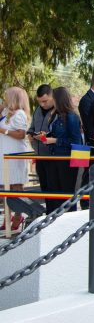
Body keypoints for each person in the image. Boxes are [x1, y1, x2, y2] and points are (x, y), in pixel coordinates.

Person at [43, 87, 83, 215]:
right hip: (54, 157)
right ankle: (57, 219)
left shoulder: (71, 117)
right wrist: (47, 136)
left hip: (67, 159)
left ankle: (69, 219)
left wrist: (55, 140)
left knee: (67, 193)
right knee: (55, 192)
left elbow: (76, 141)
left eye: (52, 98)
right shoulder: (55, 115)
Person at [0, 87, 31, 230]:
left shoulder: (19, 114)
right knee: (6, 186)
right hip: (4, 153)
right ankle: (7, 217)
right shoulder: (6, 112)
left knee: (16, 186)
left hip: (15, 154)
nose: (5, 98)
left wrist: (3, 130)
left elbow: (21, 134)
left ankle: (18, 215)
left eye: (7, 96)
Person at [27, 85, 54, 198]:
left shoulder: (58, 111)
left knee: (54, 190)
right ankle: (48, 207)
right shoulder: (37, 110)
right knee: (44, 189)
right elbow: (32, 127)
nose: (42, 104)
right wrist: (30, 134)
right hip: (39, 155)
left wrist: (46, 136)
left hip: (53, 157)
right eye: (39, 102)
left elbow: (60, 135)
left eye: (45, 101)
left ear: (52, 97)